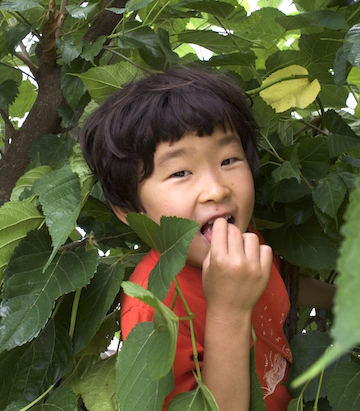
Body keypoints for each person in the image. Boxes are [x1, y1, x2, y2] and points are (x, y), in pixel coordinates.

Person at [79, 68, 334, 410]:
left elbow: (280, 282)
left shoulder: (241, 236)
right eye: (180, 172)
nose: (217, 189)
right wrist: (229, 310)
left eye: (229, 160)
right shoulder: (154, 308)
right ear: (127, 208)